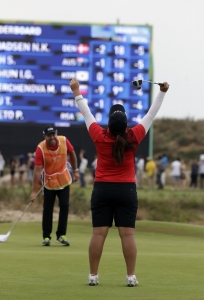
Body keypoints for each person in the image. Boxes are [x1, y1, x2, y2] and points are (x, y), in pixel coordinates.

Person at [70, 78, 169, 287]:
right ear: (125, 124)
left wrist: (76, 90)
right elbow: (151, 114)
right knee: (128, 234)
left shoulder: (99, 135)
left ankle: (93, 276)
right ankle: (131, 276)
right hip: (126, 190)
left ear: (109, 122)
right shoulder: (134, 136)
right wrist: (162, 92)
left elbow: (86, 112)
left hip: (102, 189)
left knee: (98, 233)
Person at [29, 125, 79, 246]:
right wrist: (34, 191)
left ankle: (61, 235)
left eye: (53, 134)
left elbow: (72, 153)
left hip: (63, 180)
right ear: (44, 136)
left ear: (56, 134)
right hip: (49, 182)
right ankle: (46, 237)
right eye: (49, 135)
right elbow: (37, 171)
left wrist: (76, 170)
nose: (52, 137)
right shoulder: (40, 148)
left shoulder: (64, 140)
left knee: (65, 205)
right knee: (47, 209)